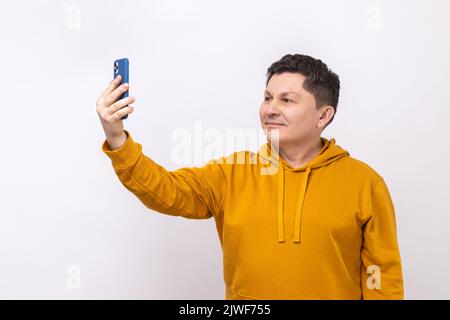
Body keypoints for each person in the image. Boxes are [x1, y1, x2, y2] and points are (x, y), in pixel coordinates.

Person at [96, 53, 404, 299]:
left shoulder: (365, 183)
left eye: (287, 100)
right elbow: (165, 190)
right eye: (268, 98)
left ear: (323, 115)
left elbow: (382, 278)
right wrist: (117, 138)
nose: (270, 109)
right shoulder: (232, 173)